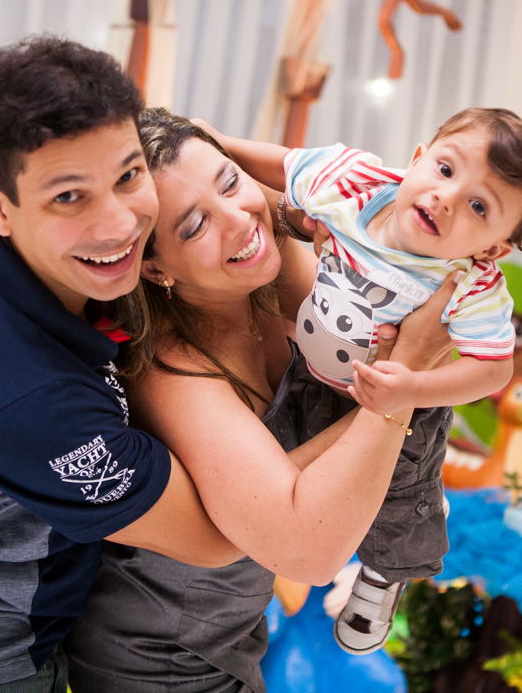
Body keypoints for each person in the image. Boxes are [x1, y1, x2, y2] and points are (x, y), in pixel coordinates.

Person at [0, 38, 247, 693]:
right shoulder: (25, 393)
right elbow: (216, 539)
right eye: (70, 198)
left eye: (128, 175)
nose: (120, 224)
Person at [63, 110, 458, 692]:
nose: (237, 220)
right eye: (194, 226)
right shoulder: (171, 366)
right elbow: (311, 552)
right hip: (155, 663)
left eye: (229, 181)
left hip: (237, 640)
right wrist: (399, 390)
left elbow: (365, 222)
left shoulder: (265, 270)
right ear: (154, 267)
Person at [205, 108, 522, 653]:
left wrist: (412, 390)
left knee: (401, 500)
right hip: (310, 373)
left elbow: (495, 368)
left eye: (478, 206)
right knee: (283, 461)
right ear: (417, 159)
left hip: (405, 412)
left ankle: (381, 577)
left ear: (492, 248)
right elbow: (283, 164)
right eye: (446, 170)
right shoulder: (355, 184)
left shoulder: (469, 284)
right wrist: (217, 143)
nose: (447, 196)